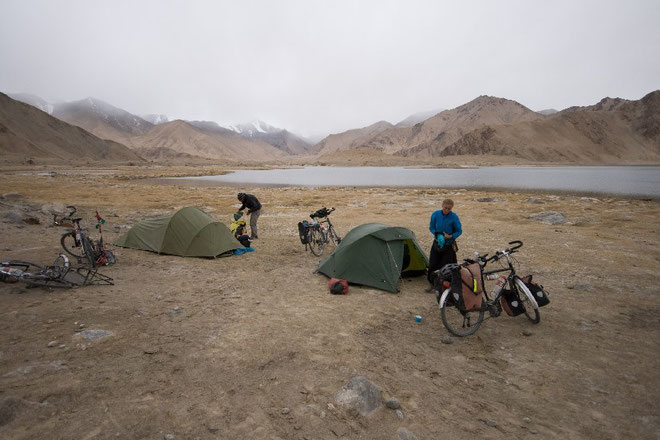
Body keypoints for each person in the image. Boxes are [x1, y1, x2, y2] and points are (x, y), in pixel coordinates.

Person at [427, 198, 462, 289]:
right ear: (442, 206)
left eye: (449, 209)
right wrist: (437, 234)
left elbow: (459, 230)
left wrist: (451, 236)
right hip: (437, 243)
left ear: (451, 208)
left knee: (447, 266)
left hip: (448, 245)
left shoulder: (454, 217)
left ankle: (446, 285)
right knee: (433, 264)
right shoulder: (435, 214)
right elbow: (431, 227)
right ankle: (432, 283)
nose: (446, 210)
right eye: (445, 208)